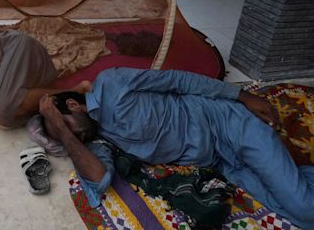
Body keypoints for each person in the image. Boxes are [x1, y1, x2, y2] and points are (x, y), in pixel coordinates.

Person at [39, 67, 314, 229]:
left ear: (74, 105)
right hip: (223, 163)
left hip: (230, 124)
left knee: (304, 207)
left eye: (68, 125)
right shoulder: (97, 142)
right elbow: (98, 180)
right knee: (295, 214)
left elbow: (179, 81)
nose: (74, 135)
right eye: (67, 135)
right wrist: (63, 131)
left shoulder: (112, 84)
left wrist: (242, 96)